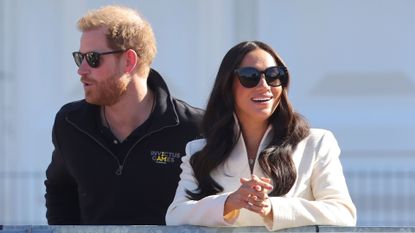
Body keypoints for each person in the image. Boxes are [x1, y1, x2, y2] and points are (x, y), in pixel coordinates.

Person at [165, 41, 356, 231]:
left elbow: (343, 214)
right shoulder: (199, 151)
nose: (264, 86)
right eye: (250, 77)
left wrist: (273, 208)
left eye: (274, 75)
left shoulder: (317, 143)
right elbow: (175, 215)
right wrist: (229, 203)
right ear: (227, 86)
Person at [44, 5, 203, 225]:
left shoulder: (194, 128)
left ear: (129, 61)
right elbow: (59, 190)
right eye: (79, 58)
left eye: (92, 58)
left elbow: (208, 206)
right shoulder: (70, 123)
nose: (81, 70)